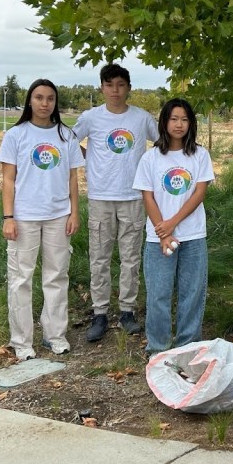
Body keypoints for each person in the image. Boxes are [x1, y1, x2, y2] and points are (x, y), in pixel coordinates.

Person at [0, 79, 84, 359]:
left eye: (50, 98)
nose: (45, 103)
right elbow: (8, 179)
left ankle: (54, 335)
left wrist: (74, 211)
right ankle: (22, 342)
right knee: (21, 279)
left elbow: (73, 177)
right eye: (39, 98)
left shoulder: (65, 135)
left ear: (55, 102)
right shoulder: (16, 135)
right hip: (24, 217)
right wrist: (8, 217)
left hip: (58, 216)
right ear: (29, 101)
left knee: (57, 276)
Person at [72, 64, 158, 342]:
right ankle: (99, 313)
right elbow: (68, 143)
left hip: (133, 197)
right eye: (109, 85)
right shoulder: (91, 117)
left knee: (131, 257)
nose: (115, 91)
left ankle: (127, 312)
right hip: (100, 196)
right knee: (99, 258)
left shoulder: (141, 118)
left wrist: (147, 169)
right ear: (101, 88)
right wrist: (90, 160)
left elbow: (162, 144)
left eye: (120, 85)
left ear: (128, 88)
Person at [133, 99, 214, 354]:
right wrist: (162, 230)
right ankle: (158, 348)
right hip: (158, 238)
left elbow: (199, 193)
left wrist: (172, 224)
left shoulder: (200, 155)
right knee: (158, 294)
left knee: (192, 293)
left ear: (191, 124)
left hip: (192, 235)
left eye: (184, 119)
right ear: (164, 122)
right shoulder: (151, 158)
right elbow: (148, 196)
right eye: (174, 119)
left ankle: (187, 346)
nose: (179, 124)